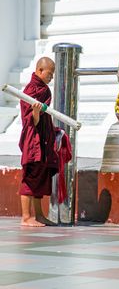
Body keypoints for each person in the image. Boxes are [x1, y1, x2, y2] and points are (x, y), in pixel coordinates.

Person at [19, 57, 59, 227]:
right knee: (30, 178)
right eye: (49, 74)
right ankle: (26, 217)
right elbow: (30, 121)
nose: (51, 78)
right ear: (40, 71)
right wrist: (35, 114)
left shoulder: (44, 90)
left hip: (43, 140)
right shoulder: (30, 90)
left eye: (52, 76)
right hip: (33, 141)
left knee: (41, 178)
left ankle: (39, 215)